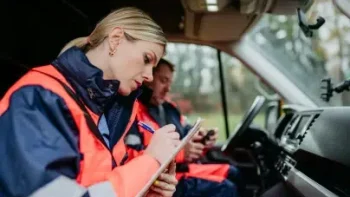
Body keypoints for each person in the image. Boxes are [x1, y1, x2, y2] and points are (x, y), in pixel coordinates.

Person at [0, 7, 180, 197]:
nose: (149, 76)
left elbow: (100, 183)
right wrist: (149, 163)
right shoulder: (37, 99)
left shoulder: (110, 110)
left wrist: (146, 188)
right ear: (116, 39)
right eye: (146, 59)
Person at [125, 59, 240, 197]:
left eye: (169, 83)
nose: (168, 88)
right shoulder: (132, 114)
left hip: (181, 168)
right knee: (226, 188)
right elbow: (129, 158)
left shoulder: (169, 109)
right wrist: (180, 153)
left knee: (234, 172)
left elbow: (186, 135)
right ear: (147, 77)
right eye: (163, 80)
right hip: (159, 180)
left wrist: (201, 141)